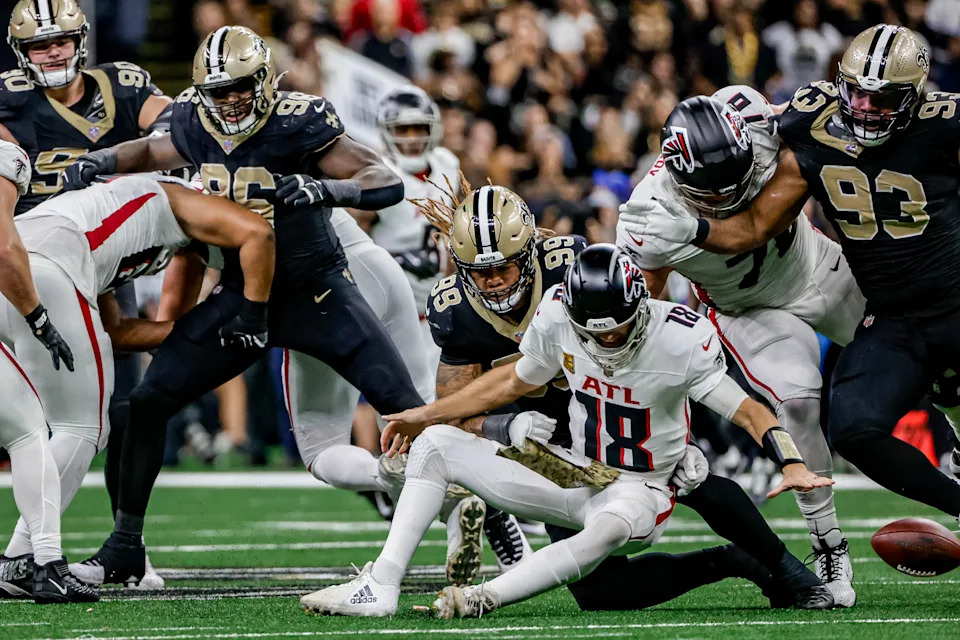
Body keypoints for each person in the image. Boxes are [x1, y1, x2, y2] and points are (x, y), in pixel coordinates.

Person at [60, 25, 425, 586]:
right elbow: (153, 149)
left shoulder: (298, 119)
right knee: (145, 404)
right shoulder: (191, 118)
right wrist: (104, 159)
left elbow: (384, 178)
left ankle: (488, 515)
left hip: (317, 290)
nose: (229, 99)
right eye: (219, 89)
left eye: (240, 86)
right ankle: (124, 547)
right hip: (241, 297)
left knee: (410, 415)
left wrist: (332, 191)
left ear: (264, 80)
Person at [619, 25, 960, 525]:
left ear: (915, 96)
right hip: (889, 316)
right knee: (848, 427)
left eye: (882, 99)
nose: (864, 108)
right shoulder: (811, 120)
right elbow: (750, 227)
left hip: (923, 294)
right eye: (857, 93)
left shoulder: (944, 124)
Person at [616, 87, 859, 606]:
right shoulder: (648, 214)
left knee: (917, 358)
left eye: (738, 179)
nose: (730, 195)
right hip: (749, 310)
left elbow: (806, 149)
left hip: (817, 266)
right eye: (713, 191)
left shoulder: (754, 116)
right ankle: (828, 543)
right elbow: (645, 310)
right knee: (796, 405)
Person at [0, 173, 275, 590]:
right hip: (49, 264)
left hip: (20, 271)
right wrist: (253, 318)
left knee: (31, 432)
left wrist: (195, 333)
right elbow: (257, 232)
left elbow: (119, 330)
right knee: (81, 427)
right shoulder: (173, 197)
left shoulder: (118, 221)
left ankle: (20, 558)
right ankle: (27, 556)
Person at [2, 0, 175, 590]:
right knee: (77, 422)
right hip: (39, 264)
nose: (52, 54)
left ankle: (124, 546)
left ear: (81, 39)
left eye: (60, 42)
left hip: (94, 266)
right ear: (21, 54)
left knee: (105, 412)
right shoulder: (11, 102)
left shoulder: (121, 85)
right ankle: (27, 556)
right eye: (39, 45)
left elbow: (183, 128)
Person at [0, 138, 98, 603]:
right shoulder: (7, 157)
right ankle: (46, 562)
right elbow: (4, 246)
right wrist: (38, 318)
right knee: (25, 431)